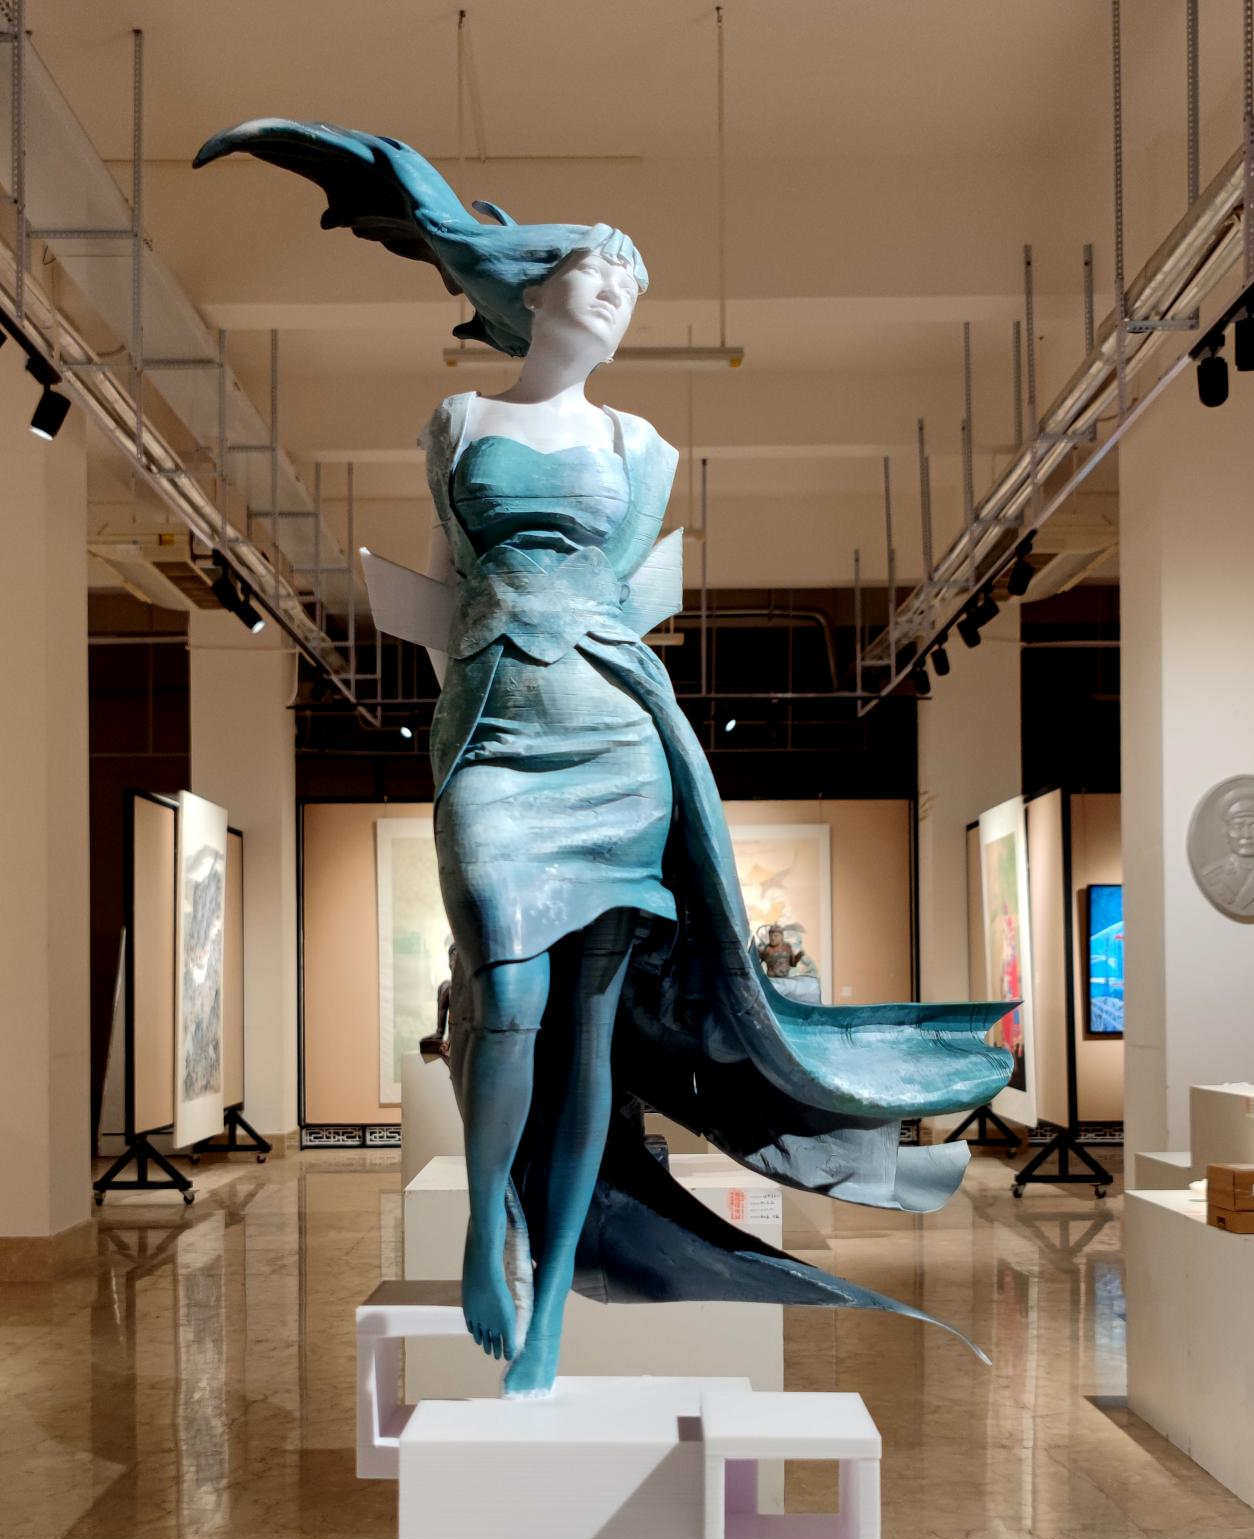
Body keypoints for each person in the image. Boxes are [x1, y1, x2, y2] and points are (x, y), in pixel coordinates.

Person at [196, 122, 1013, 1395]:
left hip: (615, 738)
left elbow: (626, 601)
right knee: (504, 992)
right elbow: (452, 592)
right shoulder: (457, 421)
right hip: (494, 736)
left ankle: (556, 1300)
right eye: (601, 274)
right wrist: (462, 700)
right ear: (535, 288)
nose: (620, 297)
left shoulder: (645, 451)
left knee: (584, 1031)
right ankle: (487, 1231)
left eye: (635, 287)